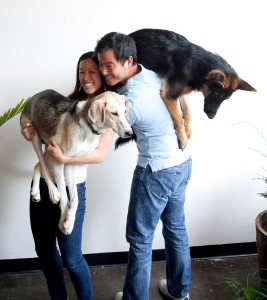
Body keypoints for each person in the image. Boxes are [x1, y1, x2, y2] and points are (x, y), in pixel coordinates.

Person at [95, 33, 192, 300]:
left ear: (128, 60)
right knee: (175, 228)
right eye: (100, 65)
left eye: (109, 65)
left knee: (140, 240)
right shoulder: (150, 73)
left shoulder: (130, 103)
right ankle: (179, 292)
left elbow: (98, 137)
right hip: (182, 163)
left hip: (156, 172)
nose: (103, 72)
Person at [22, 51, 114, 300]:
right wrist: (29, 129)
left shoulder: (109, 110)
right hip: (43, 184)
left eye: (92, 72)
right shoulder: (66, 104)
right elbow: (39, 134)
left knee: (72, 259)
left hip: (73, 189)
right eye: (81, 72)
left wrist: (66, 159)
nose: (86, 77)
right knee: (45, 251)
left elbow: (100, 155)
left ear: (102, 74)